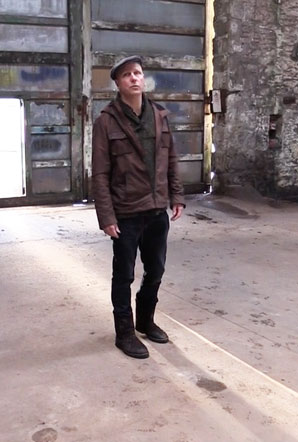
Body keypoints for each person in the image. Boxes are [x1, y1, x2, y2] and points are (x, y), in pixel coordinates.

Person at [91, 55, 186, 359]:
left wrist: (177, 195)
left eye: (138, 73)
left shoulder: (159, 115)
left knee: (155, 270)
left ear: (143, 79)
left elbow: (171, 158)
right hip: (126, 213)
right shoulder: (106, 121)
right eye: (127, 75)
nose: (134, 78)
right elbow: (101, 172)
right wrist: (106, 216)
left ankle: (145, 321)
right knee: (124, 276)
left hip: (157, 209)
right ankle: (125, 333)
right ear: (118, 83)